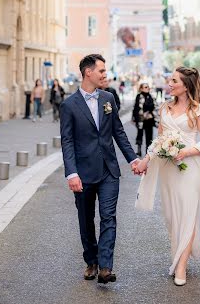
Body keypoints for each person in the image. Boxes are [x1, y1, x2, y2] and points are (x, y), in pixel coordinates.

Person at [135, 66, 200, 286]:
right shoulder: (164, 107)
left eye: (174, 80)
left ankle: (181, 264)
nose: (169, 83)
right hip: (167, 169)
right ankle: (180, 252)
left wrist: (185, 151)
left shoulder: (198, 110)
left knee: (188, 214)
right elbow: (159, 140)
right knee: (172, 216)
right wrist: (146, 160)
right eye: (170, 80)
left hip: (190, 167)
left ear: (186, 85)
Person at [60, 54, 139, 285]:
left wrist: (133, 159)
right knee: (86, 220)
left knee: (108, 217)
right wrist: (71, 173)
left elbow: (118, 132)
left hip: (108, 170)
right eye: (102, 71)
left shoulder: (108, 98)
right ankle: (91, 261)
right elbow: (67, 141)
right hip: (82, 173)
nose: (105, 74)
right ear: (88, 73)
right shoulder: (69, 105)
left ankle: (105, 267)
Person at [132, 83, 156, 156]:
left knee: (149, 137)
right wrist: (134, 118)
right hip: (140, 120)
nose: (147, 88)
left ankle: (147, 152)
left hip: (149, 120)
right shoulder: (138, 96)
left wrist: (147, 108)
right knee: (140, 135)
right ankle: (139, 150)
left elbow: (152, 106)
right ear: (141, 88)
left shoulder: (151, 96)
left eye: (148, 87)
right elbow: (136, 107)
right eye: (145, 87)